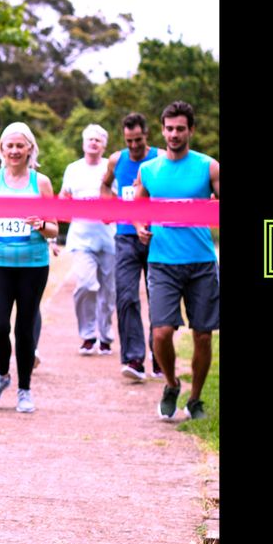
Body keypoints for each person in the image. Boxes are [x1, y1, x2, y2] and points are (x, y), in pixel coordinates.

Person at [136, 101, 220, 420]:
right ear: (162, 130)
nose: (174, 134)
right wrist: (141, 227)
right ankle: (171, 384)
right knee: (161, 332)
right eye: (169, 129)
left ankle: (195, 399)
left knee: (202, 334)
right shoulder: (150, 170)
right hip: (162, 262)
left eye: (180, 129)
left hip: (200, 262)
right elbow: (138, 208)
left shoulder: (208, 167)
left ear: (191, 131)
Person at [0, 123, 57, 413]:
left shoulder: (41, 183)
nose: (14, 151)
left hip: (34, 264)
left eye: (20, 145)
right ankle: (1, 374)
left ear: (30, 149)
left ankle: (24, 389)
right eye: (9, 146)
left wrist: (41, 225)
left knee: (24, 329)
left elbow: (55, 229)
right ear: (1, 150)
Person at [100, 112, 161, 381]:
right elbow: (104, 185)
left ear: (146, 135)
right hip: (125, 236)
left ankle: (159, 357)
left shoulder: (159, 159)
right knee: (126, 296)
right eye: (129, 141)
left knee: (158, 297)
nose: (134, 146)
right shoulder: (117, 159)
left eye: (138, 140)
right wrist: (108, 207)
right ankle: (134, 359)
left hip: (157, 236)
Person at [59, 124, 116, 355]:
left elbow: (120, 198)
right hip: (81, 238)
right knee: (85, 284)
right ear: (83, 143)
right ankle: (88, 335)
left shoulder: (110, 169)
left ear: (104, 145)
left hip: (109, 238)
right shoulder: (73, 169)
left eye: (98, 140)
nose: (93, 143)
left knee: (109, 291)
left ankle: (106, 336)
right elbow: (64, 196)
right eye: (90, 139)